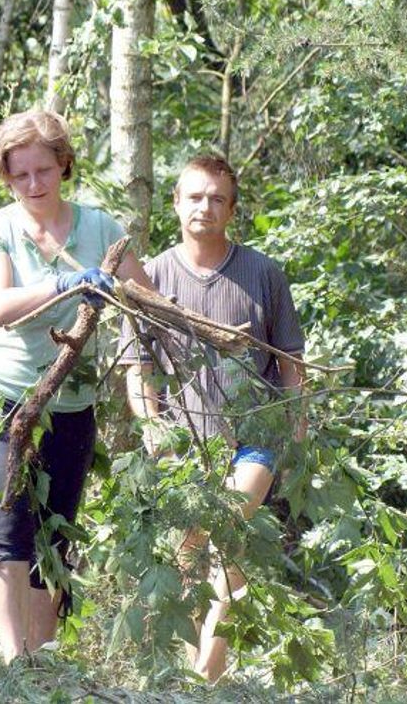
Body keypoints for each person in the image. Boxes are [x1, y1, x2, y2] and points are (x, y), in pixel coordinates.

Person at [0, 109, 150, 663]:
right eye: (20, 176)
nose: (34, 185)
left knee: (55, 538)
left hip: (70, 403)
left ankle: (41, 662)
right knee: (10, 523)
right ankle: (11, 659)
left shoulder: (100, 229)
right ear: (6, 177)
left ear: (65, 165)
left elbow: (146, 298)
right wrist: (64, 283)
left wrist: (128, 299)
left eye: (44, 170)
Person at [121, 154, 306, 682]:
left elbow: (291, 364)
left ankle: (207, 670)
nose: (206, 206)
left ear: (232, 209)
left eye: (217, 198)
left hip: (256, 434)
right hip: (183, 441)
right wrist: (152, 425)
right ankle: (205, 676)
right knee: (191, 552)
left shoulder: (264, 273)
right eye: (195, 196)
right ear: (176, 203)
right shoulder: (151, 275)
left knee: (225, 528)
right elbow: (138, 367)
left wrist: (296, 433)